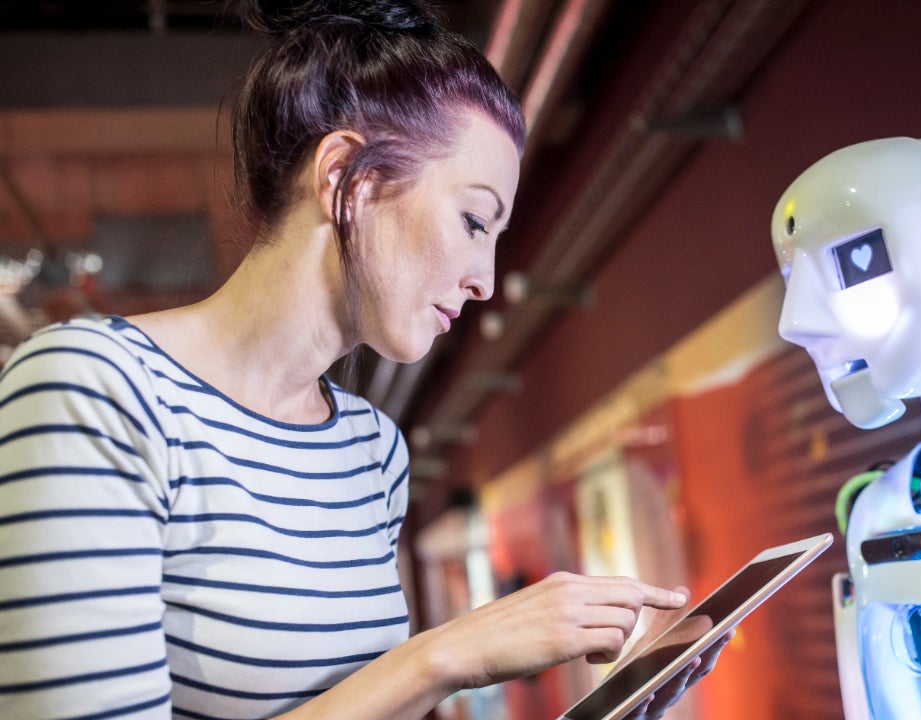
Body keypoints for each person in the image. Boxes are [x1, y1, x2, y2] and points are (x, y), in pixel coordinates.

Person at [0, 2, 723, 718]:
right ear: (349, 178)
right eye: (474, 221)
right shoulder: (95, 388)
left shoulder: (372, 453)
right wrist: (443, 658)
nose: (486, 280)